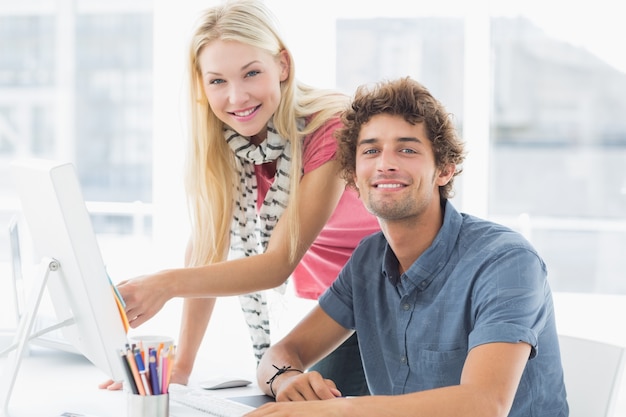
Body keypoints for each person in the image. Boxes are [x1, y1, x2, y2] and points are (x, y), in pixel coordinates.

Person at [247, 76, 568, 417]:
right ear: (354, 176)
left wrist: (336, 411)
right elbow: (281, 353)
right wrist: (285, 380)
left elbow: (484, 405)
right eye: (370, 150)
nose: (385, 163)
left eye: (407, 149)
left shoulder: (507, 261)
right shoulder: (369, 261)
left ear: (444, 170)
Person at [107, 0, 380, 395]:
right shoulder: (226, 141)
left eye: (251, 73)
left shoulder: (331, 126)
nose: (236, 97)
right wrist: (181, 368)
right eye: (217, 81)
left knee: (314, 401)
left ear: (282, 65)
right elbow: (208, 244)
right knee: (294, 393)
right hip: (344, 297)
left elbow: (277, 264)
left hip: (397, 288)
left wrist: (164, 284)